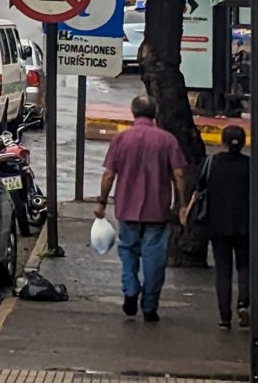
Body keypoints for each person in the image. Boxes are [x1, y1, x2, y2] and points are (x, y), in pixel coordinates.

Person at [94, 94, 188, 322]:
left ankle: (130, 290)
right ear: (154, 113)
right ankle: (150, 305)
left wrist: (102, 201)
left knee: (128, 251)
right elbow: (179, 174)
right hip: (158, 209)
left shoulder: (122, 139)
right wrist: (181, 203)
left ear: (133, 112)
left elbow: (109, 174)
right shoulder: (167, 140)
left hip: (127, 208)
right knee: (154, 258)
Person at [196, 124, 250, 330]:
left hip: (217, 224)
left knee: (223, 269)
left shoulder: (212, 163)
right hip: (245, 225)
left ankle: (224, 317)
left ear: (223, 142)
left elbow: (200, 187)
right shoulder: (250, 165)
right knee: (245, 266)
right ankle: (244, 302)